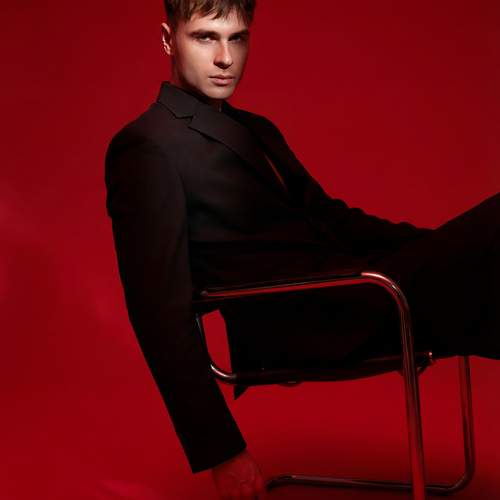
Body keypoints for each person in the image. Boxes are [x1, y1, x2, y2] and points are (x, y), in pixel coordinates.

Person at [104, 1, 500, 499]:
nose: (225, 57)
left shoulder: (257, 129)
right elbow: (157, 311)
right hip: (307, 321)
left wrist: (442, 247)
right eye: (205, 37)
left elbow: (333, 218)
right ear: (168, 39)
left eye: (238, 38)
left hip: (362, 288)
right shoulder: (146, 147)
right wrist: (222, 451)